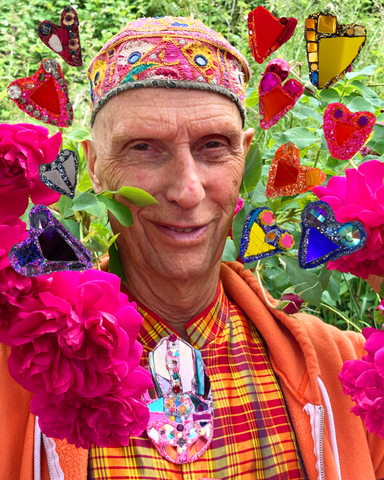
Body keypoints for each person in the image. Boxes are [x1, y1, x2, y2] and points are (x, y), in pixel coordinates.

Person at [1, 15, 384, 480]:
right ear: (95, 166)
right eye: (144, 147)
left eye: (213, 146)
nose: (188, 190)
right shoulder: (18, 378)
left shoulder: (346, 372)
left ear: (243, 158)